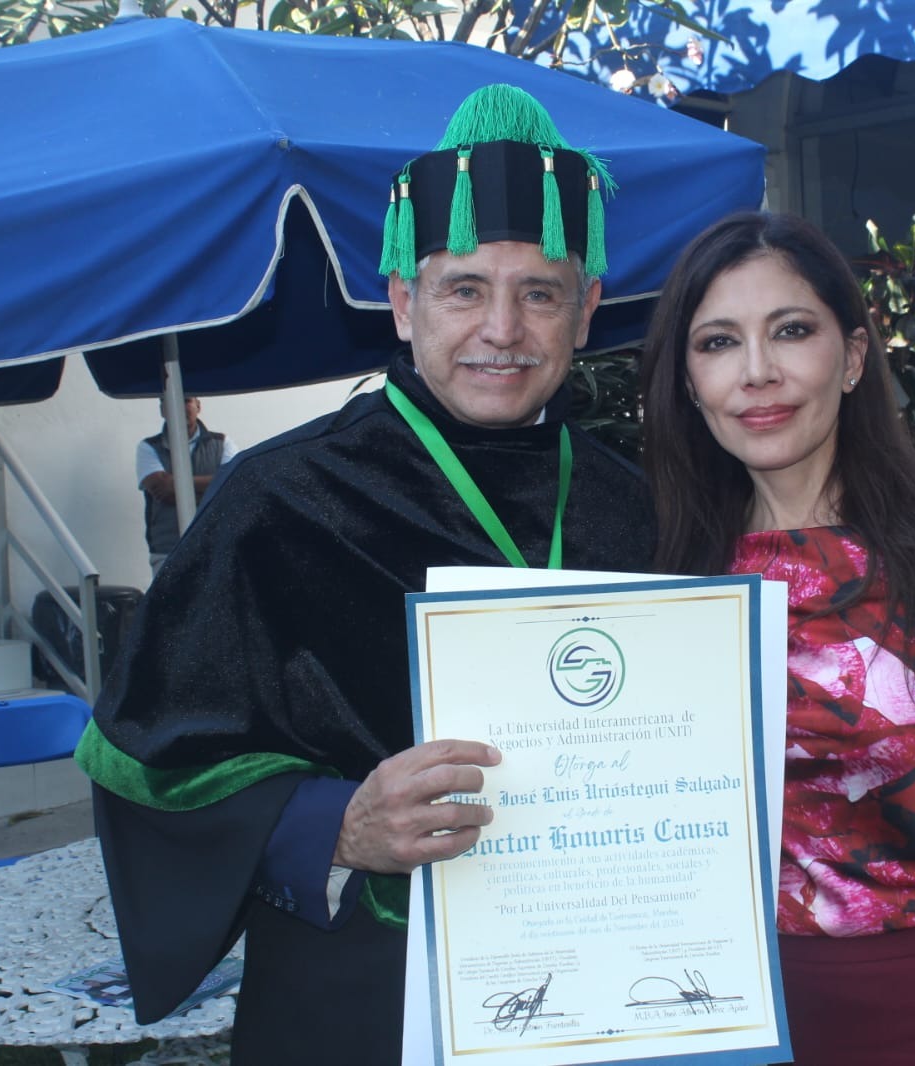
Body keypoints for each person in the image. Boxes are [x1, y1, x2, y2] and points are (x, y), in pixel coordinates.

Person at [73, 84, 653, 1065]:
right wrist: (331, 824)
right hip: (358, 992)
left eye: (539, 293)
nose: (502, 329)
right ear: (401, 302)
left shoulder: (642, 508)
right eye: (463, 289)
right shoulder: (276, 500)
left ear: (586, 311)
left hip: (603, 986)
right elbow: (142, 760)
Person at [639, 212, 915, 1065]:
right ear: (688, 381)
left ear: (851, 357)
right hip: (696, 1003)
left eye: (791, 331)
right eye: (718, 342)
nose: (757, 372)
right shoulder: (661, 566)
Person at [136, 394, 238, 575]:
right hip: (167, 550)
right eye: (170, 401)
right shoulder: (148, 447)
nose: (179, 406)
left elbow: (232, 486)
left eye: (186, 400)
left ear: (198, 406)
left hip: (215, 545)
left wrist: (174, 483)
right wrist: (213, 487)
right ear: (162, 410)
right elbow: (162, 490)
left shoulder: (222, 443)